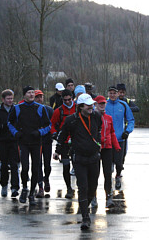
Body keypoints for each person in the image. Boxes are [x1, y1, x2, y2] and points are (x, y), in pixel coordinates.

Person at [53, 94, 102, 230]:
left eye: (92, 104)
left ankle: (84, 207)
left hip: (94, 157)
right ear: (81, 107)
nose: (91, 107)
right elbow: (62, 136)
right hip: (79, 158)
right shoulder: (71, 120)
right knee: (83, 187)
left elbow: (98, 130)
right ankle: (85, 218)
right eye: (88, 105)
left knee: (93, 187)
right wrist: (57, 151)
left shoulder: (97, 116)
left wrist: (98, 144)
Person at [8, 86, 51, 205]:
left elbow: (49, 125)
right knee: (25, 167)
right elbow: (9, 123)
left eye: (33, 93)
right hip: (23, 142)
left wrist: (40, 132)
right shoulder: (17, 108)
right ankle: (25, 188)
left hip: (37, 142)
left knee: (36, 168)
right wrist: (16, 133)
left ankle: (32, 191)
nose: (32, 95)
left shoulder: (41, 108)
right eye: (29, 93)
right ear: (24, 95)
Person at [0, 89, 20, 198]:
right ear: (3, 99)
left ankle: (15, 187)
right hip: (2, 140)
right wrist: (2, 126)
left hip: (14, 140)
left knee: (14, 164)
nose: (10, 100)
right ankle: (4, 185)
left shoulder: (17, 109)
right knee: (3, 164)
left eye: (11, 98)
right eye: (8, 99)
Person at [93, 95, 121, 208]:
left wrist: (116, 145)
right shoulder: (92, 117)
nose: (102, 106)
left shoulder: (108, 118)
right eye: (100, 104)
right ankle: (93, 197)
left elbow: (112, 132)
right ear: (95, 105)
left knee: (108, 173)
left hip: (108, 148)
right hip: (96, 148)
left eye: (103, 103)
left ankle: (108, 196)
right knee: (94, 174)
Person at [106, 86, 134, 190]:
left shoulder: (123, 105)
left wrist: (127, 131)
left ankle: (118, 175)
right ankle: (108, 181)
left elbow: (131, 119)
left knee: (119, 161)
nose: (112, 95)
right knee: (107, 161)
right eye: (110, 93)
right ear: (108, 94)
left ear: (118, 94)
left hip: (119, 138)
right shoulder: (104, 104)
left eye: (114, 93)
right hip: (107, 139)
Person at [51, 89, 76, 199]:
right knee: (66, 166)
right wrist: (55, 133)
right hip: (64, 142)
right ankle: (69, 188)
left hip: (76, 142)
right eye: (65, 100)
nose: (67, 102)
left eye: (69, 100)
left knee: (77, 166)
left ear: (72, 98)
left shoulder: (78, 108)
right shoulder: (58, 111)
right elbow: (51, 124)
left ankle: (81, 188)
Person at [34, 89, 54, 198]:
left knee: (47, 164)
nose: (39, 99)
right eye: (37, 97)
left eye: (41, 97)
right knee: (37, 164)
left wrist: (45, 130)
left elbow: (52, 124)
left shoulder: (49, 110)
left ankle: (46, 178)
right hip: (35, 141)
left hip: (47, 140)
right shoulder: (31, 110)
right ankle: (40, 186)